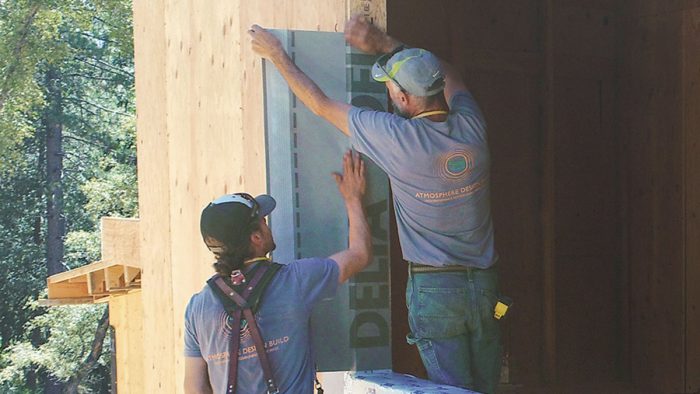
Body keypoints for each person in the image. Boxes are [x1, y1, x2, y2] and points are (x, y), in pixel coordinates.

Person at [248, 15, 502, 393]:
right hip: (485, 287)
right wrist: (386, 43)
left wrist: (277, 53)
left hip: (435, 290)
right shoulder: (472, 127)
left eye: (392, 90)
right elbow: (449, 74)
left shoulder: (397, 138)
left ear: (402, 98)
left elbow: (319, 104)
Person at [184, 150, 371, 394]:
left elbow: (195, 389)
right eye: (262, 220)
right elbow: (360, 254)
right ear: (256, 237)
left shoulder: (197, 308)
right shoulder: (296, 280)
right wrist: (353, 198)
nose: (267, 223)